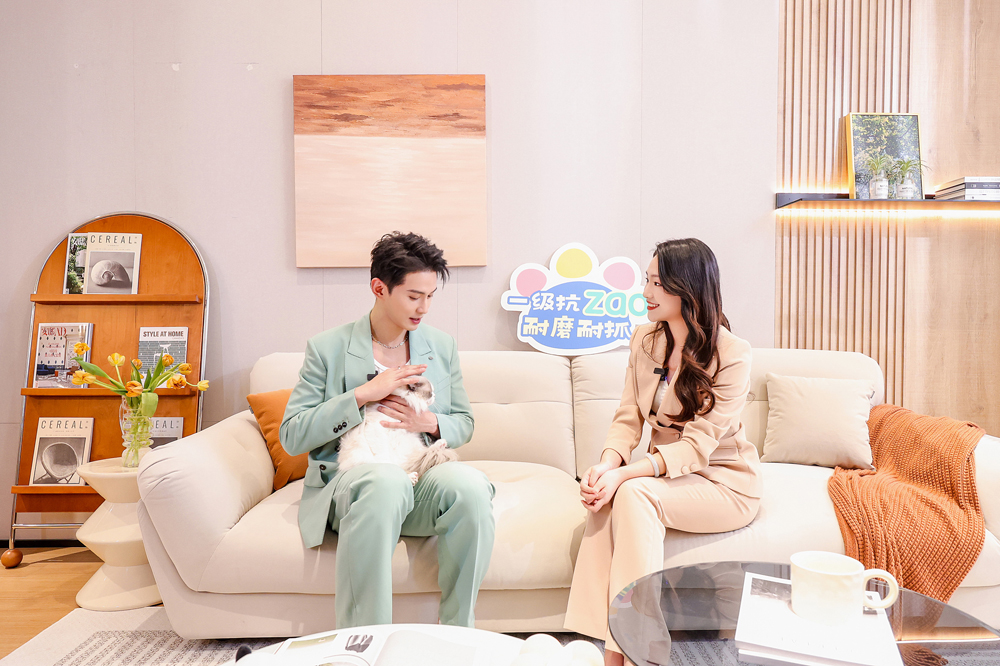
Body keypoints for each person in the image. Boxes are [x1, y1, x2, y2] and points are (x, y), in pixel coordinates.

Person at [279, 232, 495, 629]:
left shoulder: (440, 345)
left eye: (430, 296)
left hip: (417, 474)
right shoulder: (328, 348)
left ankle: (457, 633)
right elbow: (292, 435)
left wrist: (428, 422)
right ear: (379, 288)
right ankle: (364, 642)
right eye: (414, 296)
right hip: (353, 486)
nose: (424, 307)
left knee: (470, 486)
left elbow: (464, 422)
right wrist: (362, 395)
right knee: (384, 481)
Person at [563, 238, 762, 665]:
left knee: (632, 492)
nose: (645, 292)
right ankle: (619, 649)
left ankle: (638, 653)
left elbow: (697, 447)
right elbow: (627, 418)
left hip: (722, 482)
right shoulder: (645, 339)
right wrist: (606, 465)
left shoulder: (733, 354)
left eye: (657, 283)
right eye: (646, 280)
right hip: (665, 477)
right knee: (605, 497)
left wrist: (625, 475)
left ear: (687, 289)